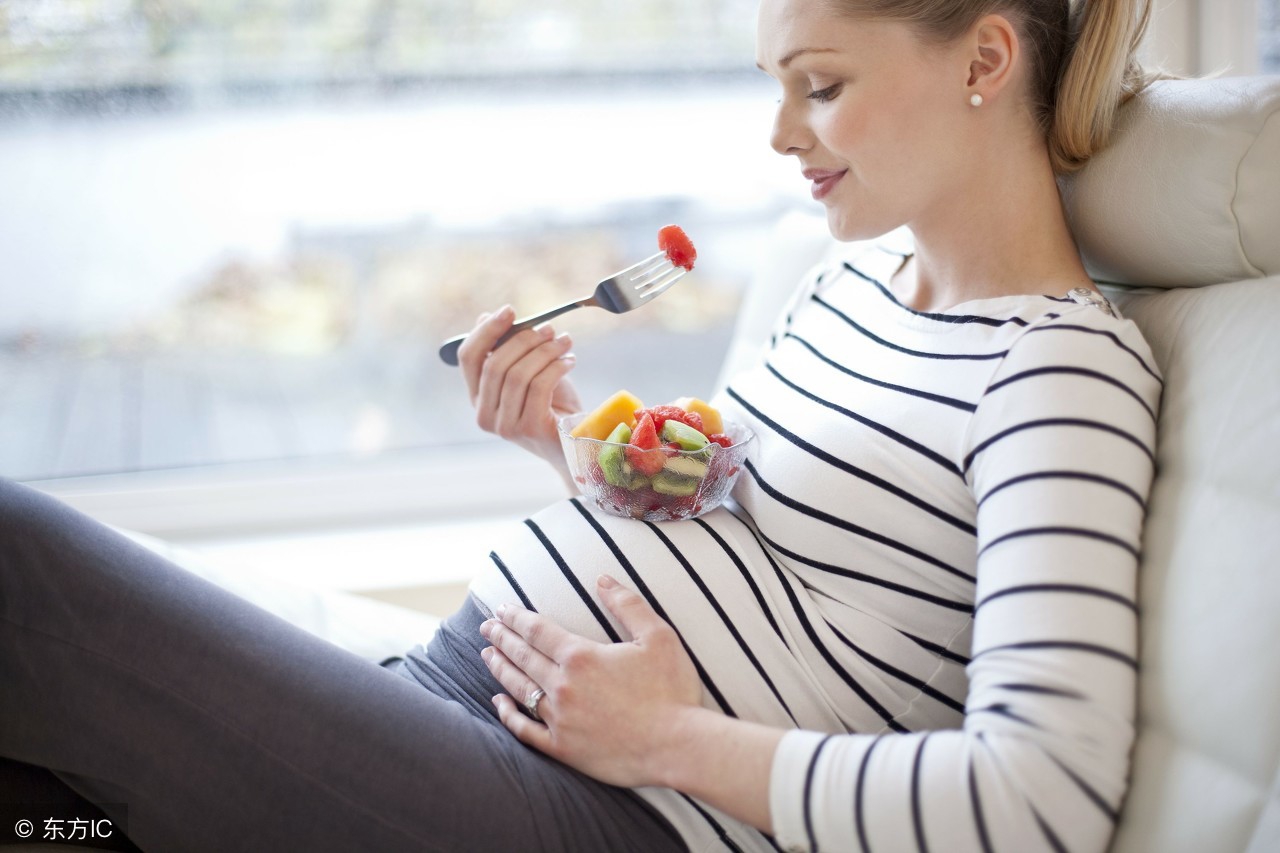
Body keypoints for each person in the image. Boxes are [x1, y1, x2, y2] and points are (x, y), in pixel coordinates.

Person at [0, 0, 1161, 851]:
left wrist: (663, 740)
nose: (777, 134)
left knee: (22, 568)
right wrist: (562, 441)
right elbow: (745, 551)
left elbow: (1039, 796)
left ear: (984, 60)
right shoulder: (843, 283)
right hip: (462, 710)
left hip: (609, 812)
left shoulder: (1053, 371)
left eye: (817, 86)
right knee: (42, 807)